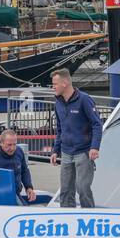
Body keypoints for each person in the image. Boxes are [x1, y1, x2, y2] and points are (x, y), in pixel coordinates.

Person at [49, 68, 102, 208]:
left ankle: (89, 217)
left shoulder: (84, 99)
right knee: (65, 190)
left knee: (83, 189)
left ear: (65, 83)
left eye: (55, 84)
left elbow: (97, 124)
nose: (53, 87)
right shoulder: (58, 102)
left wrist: (94, 147)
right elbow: (59, 129)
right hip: (66, 153)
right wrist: (55, 151)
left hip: (83, 152)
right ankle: (66, 219)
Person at [0, 129, 37, 204]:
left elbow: (24, 170)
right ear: (1, 143)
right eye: (9, 145)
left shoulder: (19, 151)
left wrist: (29, 187)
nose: (13, 148)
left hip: (15, 193)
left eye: (14, 144)